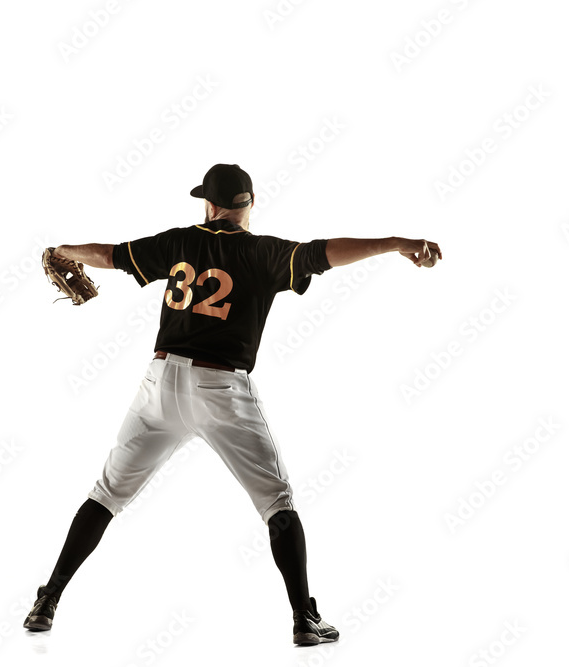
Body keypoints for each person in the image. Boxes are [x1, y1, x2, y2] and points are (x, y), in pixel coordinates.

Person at [23, 163, 441, 646]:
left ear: (209, 203)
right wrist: (393, 243)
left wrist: (61, 251)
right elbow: (323, 253)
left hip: (158, 385)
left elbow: (108, 255)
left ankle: (47, 600)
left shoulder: (178, 241)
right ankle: (304, 618)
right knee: (276, 501)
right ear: (250, 202)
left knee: (106, 494)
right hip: (221, 390)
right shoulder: (263, 252)